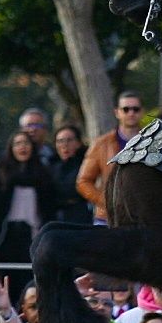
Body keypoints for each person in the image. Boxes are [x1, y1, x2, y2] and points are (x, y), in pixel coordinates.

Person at [0, 130, 57, 290]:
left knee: (30, 284)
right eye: (18, 143)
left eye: (26, 143)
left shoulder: (43, 174)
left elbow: (50, 210)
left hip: (33, 236)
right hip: (5, 237)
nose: (22, 147)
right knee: (5, 283)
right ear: (11, 148)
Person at [77, 93, 145, 227]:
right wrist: (107, 201)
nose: (131, 113)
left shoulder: (152, 142)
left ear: (142, 112)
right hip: (107, 217)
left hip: (142, 217)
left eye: (135, 109)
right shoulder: (101, 144)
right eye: (126, 109)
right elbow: (83, 181)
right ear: (117, 112)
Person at [50, 124, 92, 224]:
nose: (64, 145)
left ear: (78, 143)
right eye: (60, 141)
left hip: (81, 215)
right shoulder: (51, 167)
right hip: (56, 216)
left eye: (69, 140)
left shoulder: (86, 166)